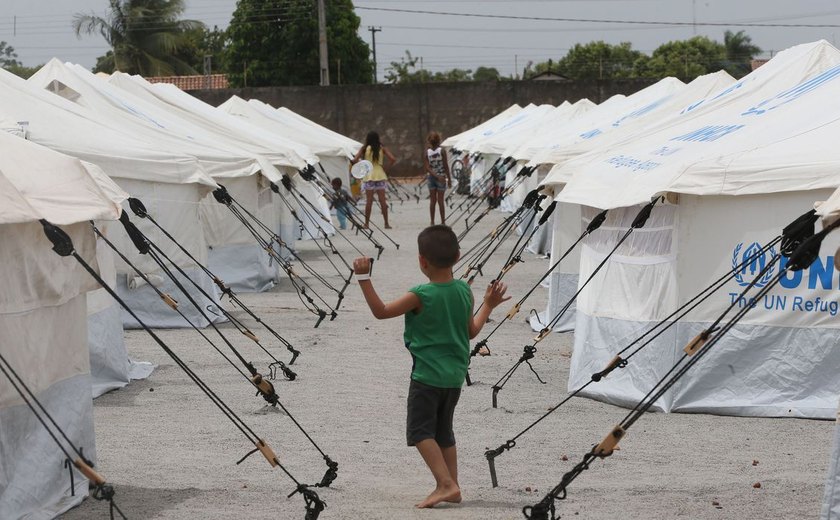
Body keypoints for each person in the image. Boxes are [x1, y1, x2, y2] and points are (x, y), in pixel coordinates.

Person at [352, 225, 509, 508]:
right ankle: (453, 485)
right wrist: (488, 304)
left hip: (427, 377)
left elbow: (381, 312)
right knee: (443, 431)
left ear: (422, 260)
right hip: (454, 378)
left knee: (420, 432)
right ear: (458, 255)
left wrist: (363, 277)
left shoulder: (420, 294)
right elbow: (471, 332)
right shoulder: (464, 289)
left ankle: (445, 484)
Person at [352, 131, 396, 229]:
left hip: (369, 175)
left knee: (369, 201)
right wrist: (385, 168)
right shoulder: (382, 148)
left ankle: (366, 224)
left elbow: (355, 160)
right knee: (383, 201)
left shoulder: (364, 148)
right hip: (380, 174)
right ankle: (386, 223)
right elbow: (393, 159)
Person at [423, 131, 451, 225]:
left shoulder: (427, 152)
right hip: (442, 177)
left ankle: (432, 221)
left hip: (431, 178)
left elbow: (427, 167)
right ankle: (443, 221)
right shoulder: (442, 151)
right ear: (439, 140)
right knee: (441, 201)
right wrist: (449, 179)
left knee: (432, 201)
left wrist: (435, 175)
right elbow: (446, 165)